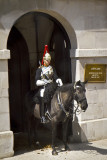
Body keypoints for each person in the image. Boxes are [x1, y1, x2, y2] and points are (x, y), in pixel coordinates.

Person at [35, 52, 63, 123]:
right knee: (42, 94)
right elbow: (37, 80)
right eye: (47, 60)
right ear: (44, 60)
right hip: (43, 86)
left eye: (49, 60)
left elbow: (55, 76)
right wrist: (42, 82)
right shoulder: (39, 69)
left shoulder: (52, 68)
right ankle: (43, 115)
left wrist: (58, 79)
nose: (48, 61)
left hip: (51, 85)